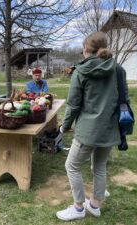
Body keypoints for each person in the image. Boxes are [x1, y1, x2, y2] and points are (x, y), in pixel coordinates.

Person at [56, 32, 129, 221]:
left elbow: (73, 104)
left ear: (86, 49)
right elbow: (125, 99)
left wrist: (64, 127)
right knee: (99, 166)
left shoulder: (81, 71)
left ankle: (79, 208)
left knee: (71, 165)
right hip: (110, 128)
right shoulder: (119, 69)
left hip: (88, 130)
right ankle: (95, 204)